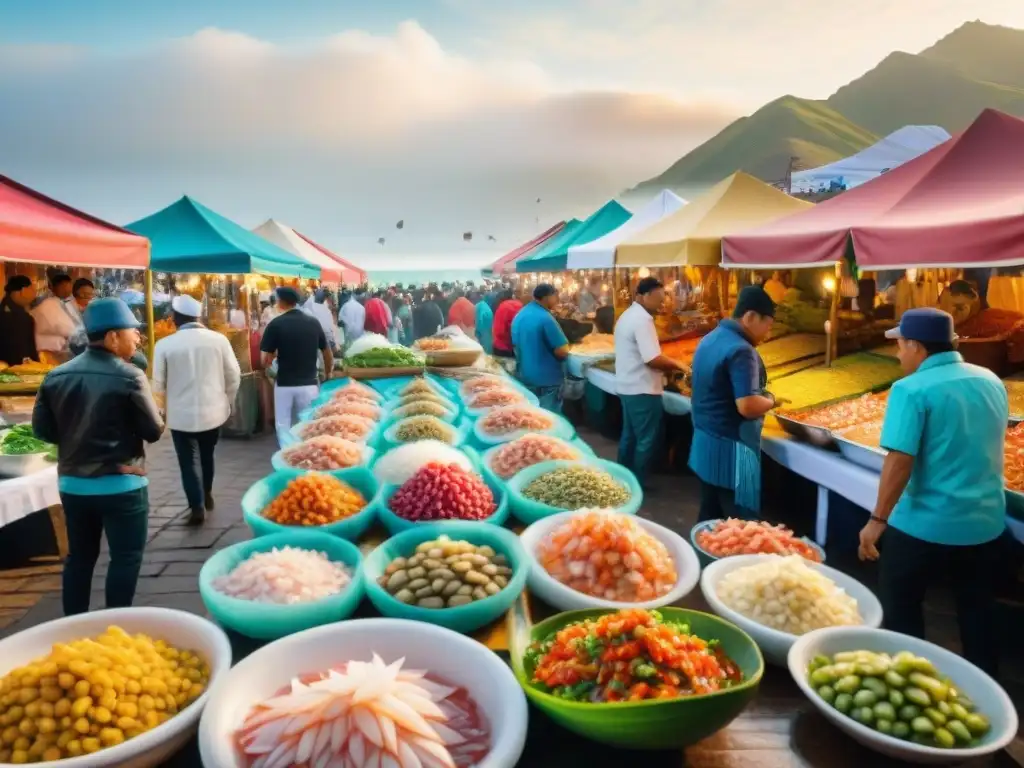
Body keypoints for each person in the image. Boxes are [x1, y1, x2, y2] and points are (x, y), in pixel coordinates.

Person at [858, 308, 1006, 677]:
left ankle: (910, 679)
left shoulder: (911, 389)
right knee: (977, 612)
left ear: (918, 347)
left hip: (925, 526)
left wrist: (877, 520)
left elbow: (900, 461)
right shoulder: (990, 380)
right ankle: (987, 690)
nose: (898, 354)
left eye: (901, 346)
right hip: (985, 525)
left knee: (901, 605)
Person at [32, 298, 164, 616]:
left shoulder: (55, 376)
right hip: (122, 484)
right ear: (111, 336)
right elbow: (154, 429)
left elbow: (43, 431)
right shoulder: (130, 376)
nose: (138, 338)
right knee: (125, 557)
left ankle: (73, 622)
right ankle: (114, 623)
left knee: (80, 557)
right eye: (133, 332)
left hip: (73, 486)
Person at [689, 285, 778, 521]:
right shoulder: (742, 350)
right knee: (741, 526)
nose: (767, 333)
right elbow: (747, 406)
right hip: (733, 452)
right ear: (750, 317)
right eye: (767, 325)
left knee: (710, 518)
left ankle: (702, 558)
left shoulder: (710, 338)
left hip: (704, 444)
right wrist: (770, 400)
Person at [152, 295, 242, 526]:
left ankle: (196, 506)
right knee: (207, 455)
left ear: (174, 318)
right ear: (199, 316)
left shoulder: (164, 344)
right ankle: (207, 492)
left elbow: (157, 385)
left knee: (187, 461)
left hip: (180, 415)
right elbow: (234, 375)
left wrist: (160, 411)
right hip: (213, 411)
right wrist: (228, 401)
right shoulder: (218, 340)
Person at [614, 278, 688, 488]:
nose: (661, 303)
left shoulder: (628, 315)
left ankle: (622, 479)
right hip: (642, 388)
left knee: (630, 436)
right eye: (657, 299)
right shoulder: (642, 319)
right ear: (643, 296)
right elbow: (652, 358)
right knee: (646, 439)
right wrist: (679, 365)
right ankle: (636, 483)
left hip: (628, 386)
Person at [261, 286, 332, 446]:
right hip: (309, 384)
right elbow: (327, 353)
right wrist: (328, 373)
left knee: (283, 425)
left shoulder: (275, 324)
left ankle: (288, 458)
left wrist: (274, 359)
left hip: (284, 384)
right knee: (307, 424)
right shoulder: (313, 322)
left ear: (279, 302)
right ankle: (307, 457)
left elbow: (264, 360)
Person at [510, 284, 569, 412]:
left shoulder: (520, 315)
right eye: (555, 296)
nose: (557, 300)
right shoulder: (545, 318)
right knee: (550, 420)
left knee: (533, 418)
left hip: (524, 377)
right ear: (548, 297)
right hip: (546, 381)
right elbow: (562, 351)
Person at [31, 273, 79, 359]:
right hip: (50, 352)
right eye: (63, 286)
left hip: (61, 350)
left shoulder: (65, 303)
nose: (67, 289)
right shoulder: (48, 304)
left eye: (69, 285)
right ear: (54, 287)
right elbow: (62, 328)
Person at [0, 275, 38, 365]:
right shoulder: (17, 317)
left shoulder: (5, 308)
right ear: (23, 291)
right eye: (32, 290)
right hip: (16, 371)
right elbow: (22, 351)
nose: (34, 294)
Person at [492, 288, 523, 362]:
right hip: (518, 347)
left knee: (503, 370)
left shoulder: (503, 306)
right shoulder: (521, 305)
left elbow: (499, 331)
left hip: (502, 347)